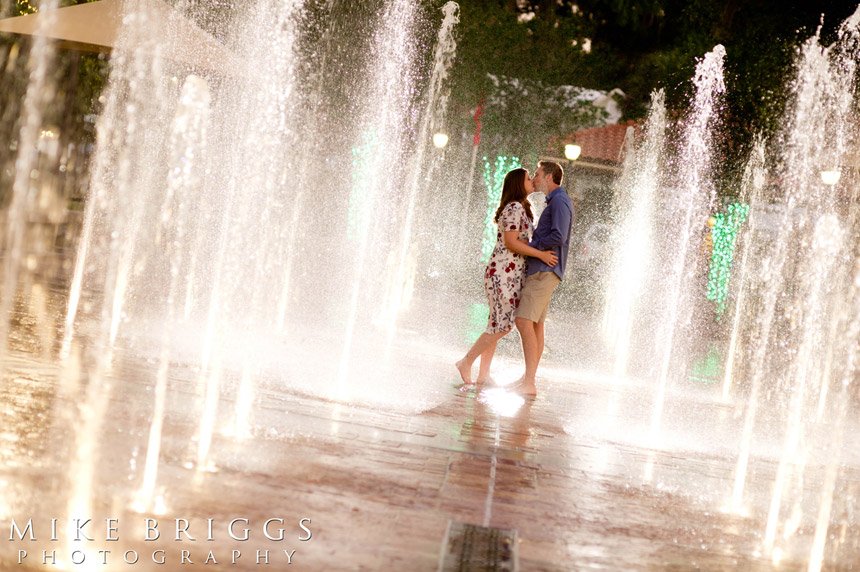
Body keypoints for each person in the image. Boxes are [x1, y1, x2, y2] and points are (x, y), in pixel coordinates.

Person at [456, 168, 558, 386]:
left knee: (496, 323)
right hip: (502, 273)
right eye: (527, 178)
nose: (532, 180)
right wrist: (540, 254)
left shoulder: (521, 207)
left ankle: (483, 374)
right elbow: (511, 242)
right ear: (517, 185)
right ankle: (466, 362)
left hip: (510, 274)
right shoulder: (513, 207)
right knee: (502, 326)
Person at [514, 161, 573, 397]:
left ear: (549, 177)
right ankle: (528, 379)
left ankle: (529, 382)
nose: (535, 178)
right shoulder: (557, 201)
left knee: (523, 321)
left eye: (537, 174)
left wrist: (533, 246)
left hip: (545, 269)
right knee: (536, 324)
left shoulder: (559, 201)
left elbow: (559, 234)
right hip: (545, 268)